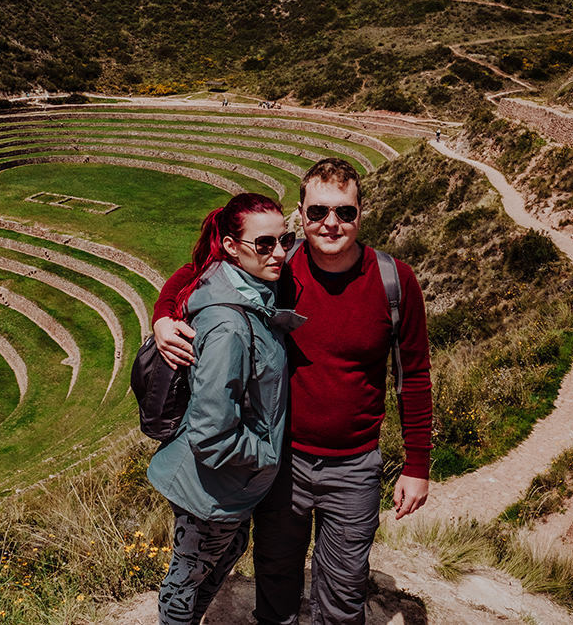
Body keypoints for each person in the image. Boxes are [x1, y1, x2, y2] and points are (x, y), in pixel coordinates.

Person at [153, 159, 433, 624]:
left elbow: (415, 376)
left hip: (355, 466)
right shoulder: (280, 262)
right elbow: (197, 271)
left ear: (361, 213)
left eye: (345, 212)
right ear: (301, 215)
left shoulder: (394, 281)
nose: (331, 223)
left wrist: (417, 465)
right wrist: (164, 316)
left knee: (344, 592)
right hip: (283, 463)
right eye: (318, 211)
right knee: (276, 581)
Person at [147, 193, 305, 625]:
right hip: (209, 487)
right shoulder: (228, 325)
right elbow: (212, 432)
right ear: (232, 247)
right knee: (187, 577)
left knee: (225, 553)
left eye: (285, 240)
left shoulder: (247, 284)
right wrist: (267, 456)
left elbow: (192, 269)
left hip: (228, 484)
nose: (279, 253)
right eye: (265, 244)